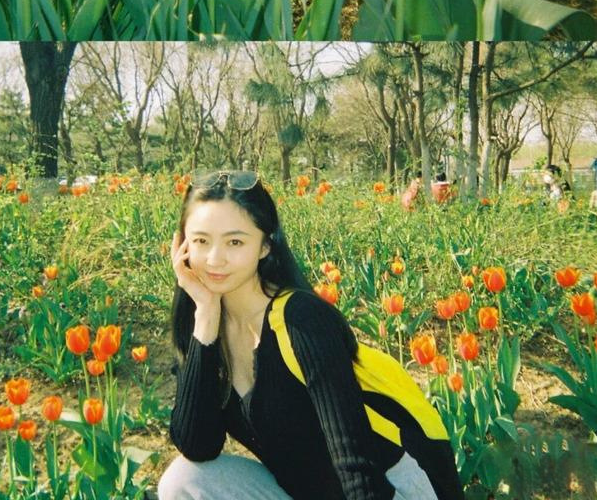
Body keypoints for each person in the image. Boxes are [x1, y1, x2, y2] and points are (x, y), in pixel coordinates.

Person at [159, 169, 464, 500]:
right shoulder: (203, 324)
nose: (215, 259)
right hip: (305, 491)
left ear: (265, 245)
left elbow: (356, 466)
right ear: (182, 245)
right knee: (183, 480)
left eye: (235, 242)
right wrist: (205, 316)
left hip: (384, 489)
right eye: (201, 241)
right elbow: (198, 446)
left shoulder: (302, 321)